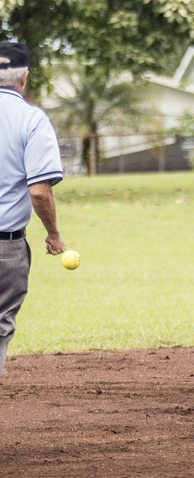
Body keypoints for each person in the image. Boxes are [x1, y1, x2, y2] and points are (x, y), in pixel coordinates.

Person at [0, 41, 66, 376]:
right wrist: (54, 235)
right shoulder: (31, 119)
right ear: (25, 77)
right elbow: (39, 191)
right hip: (4, 247)